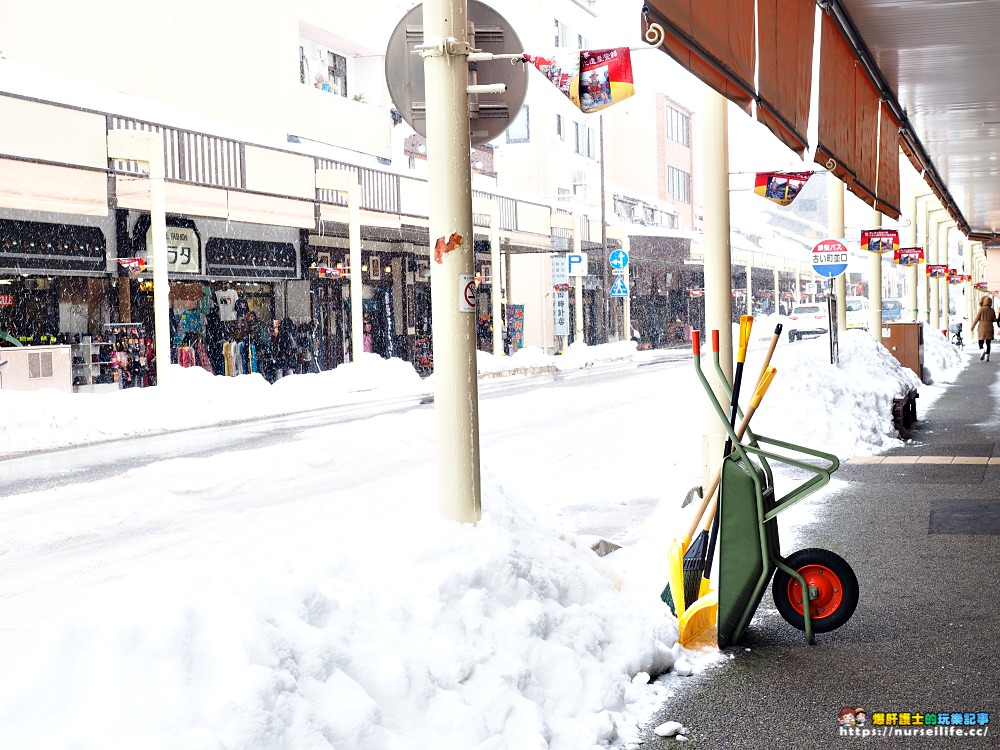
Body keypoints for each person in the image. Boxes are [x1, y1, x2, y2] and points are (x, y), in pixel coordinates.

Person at [970, 295, 998, 361]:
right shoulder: (992, 310)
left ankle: (982, 350)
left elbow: (976, 319)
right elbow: (994, 319)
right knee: (988, 343)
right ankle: (987, 357)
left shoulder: (981, 309)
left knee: (980, 341)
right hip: (990, 328)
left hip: (982, 328)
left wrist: (972, 327)